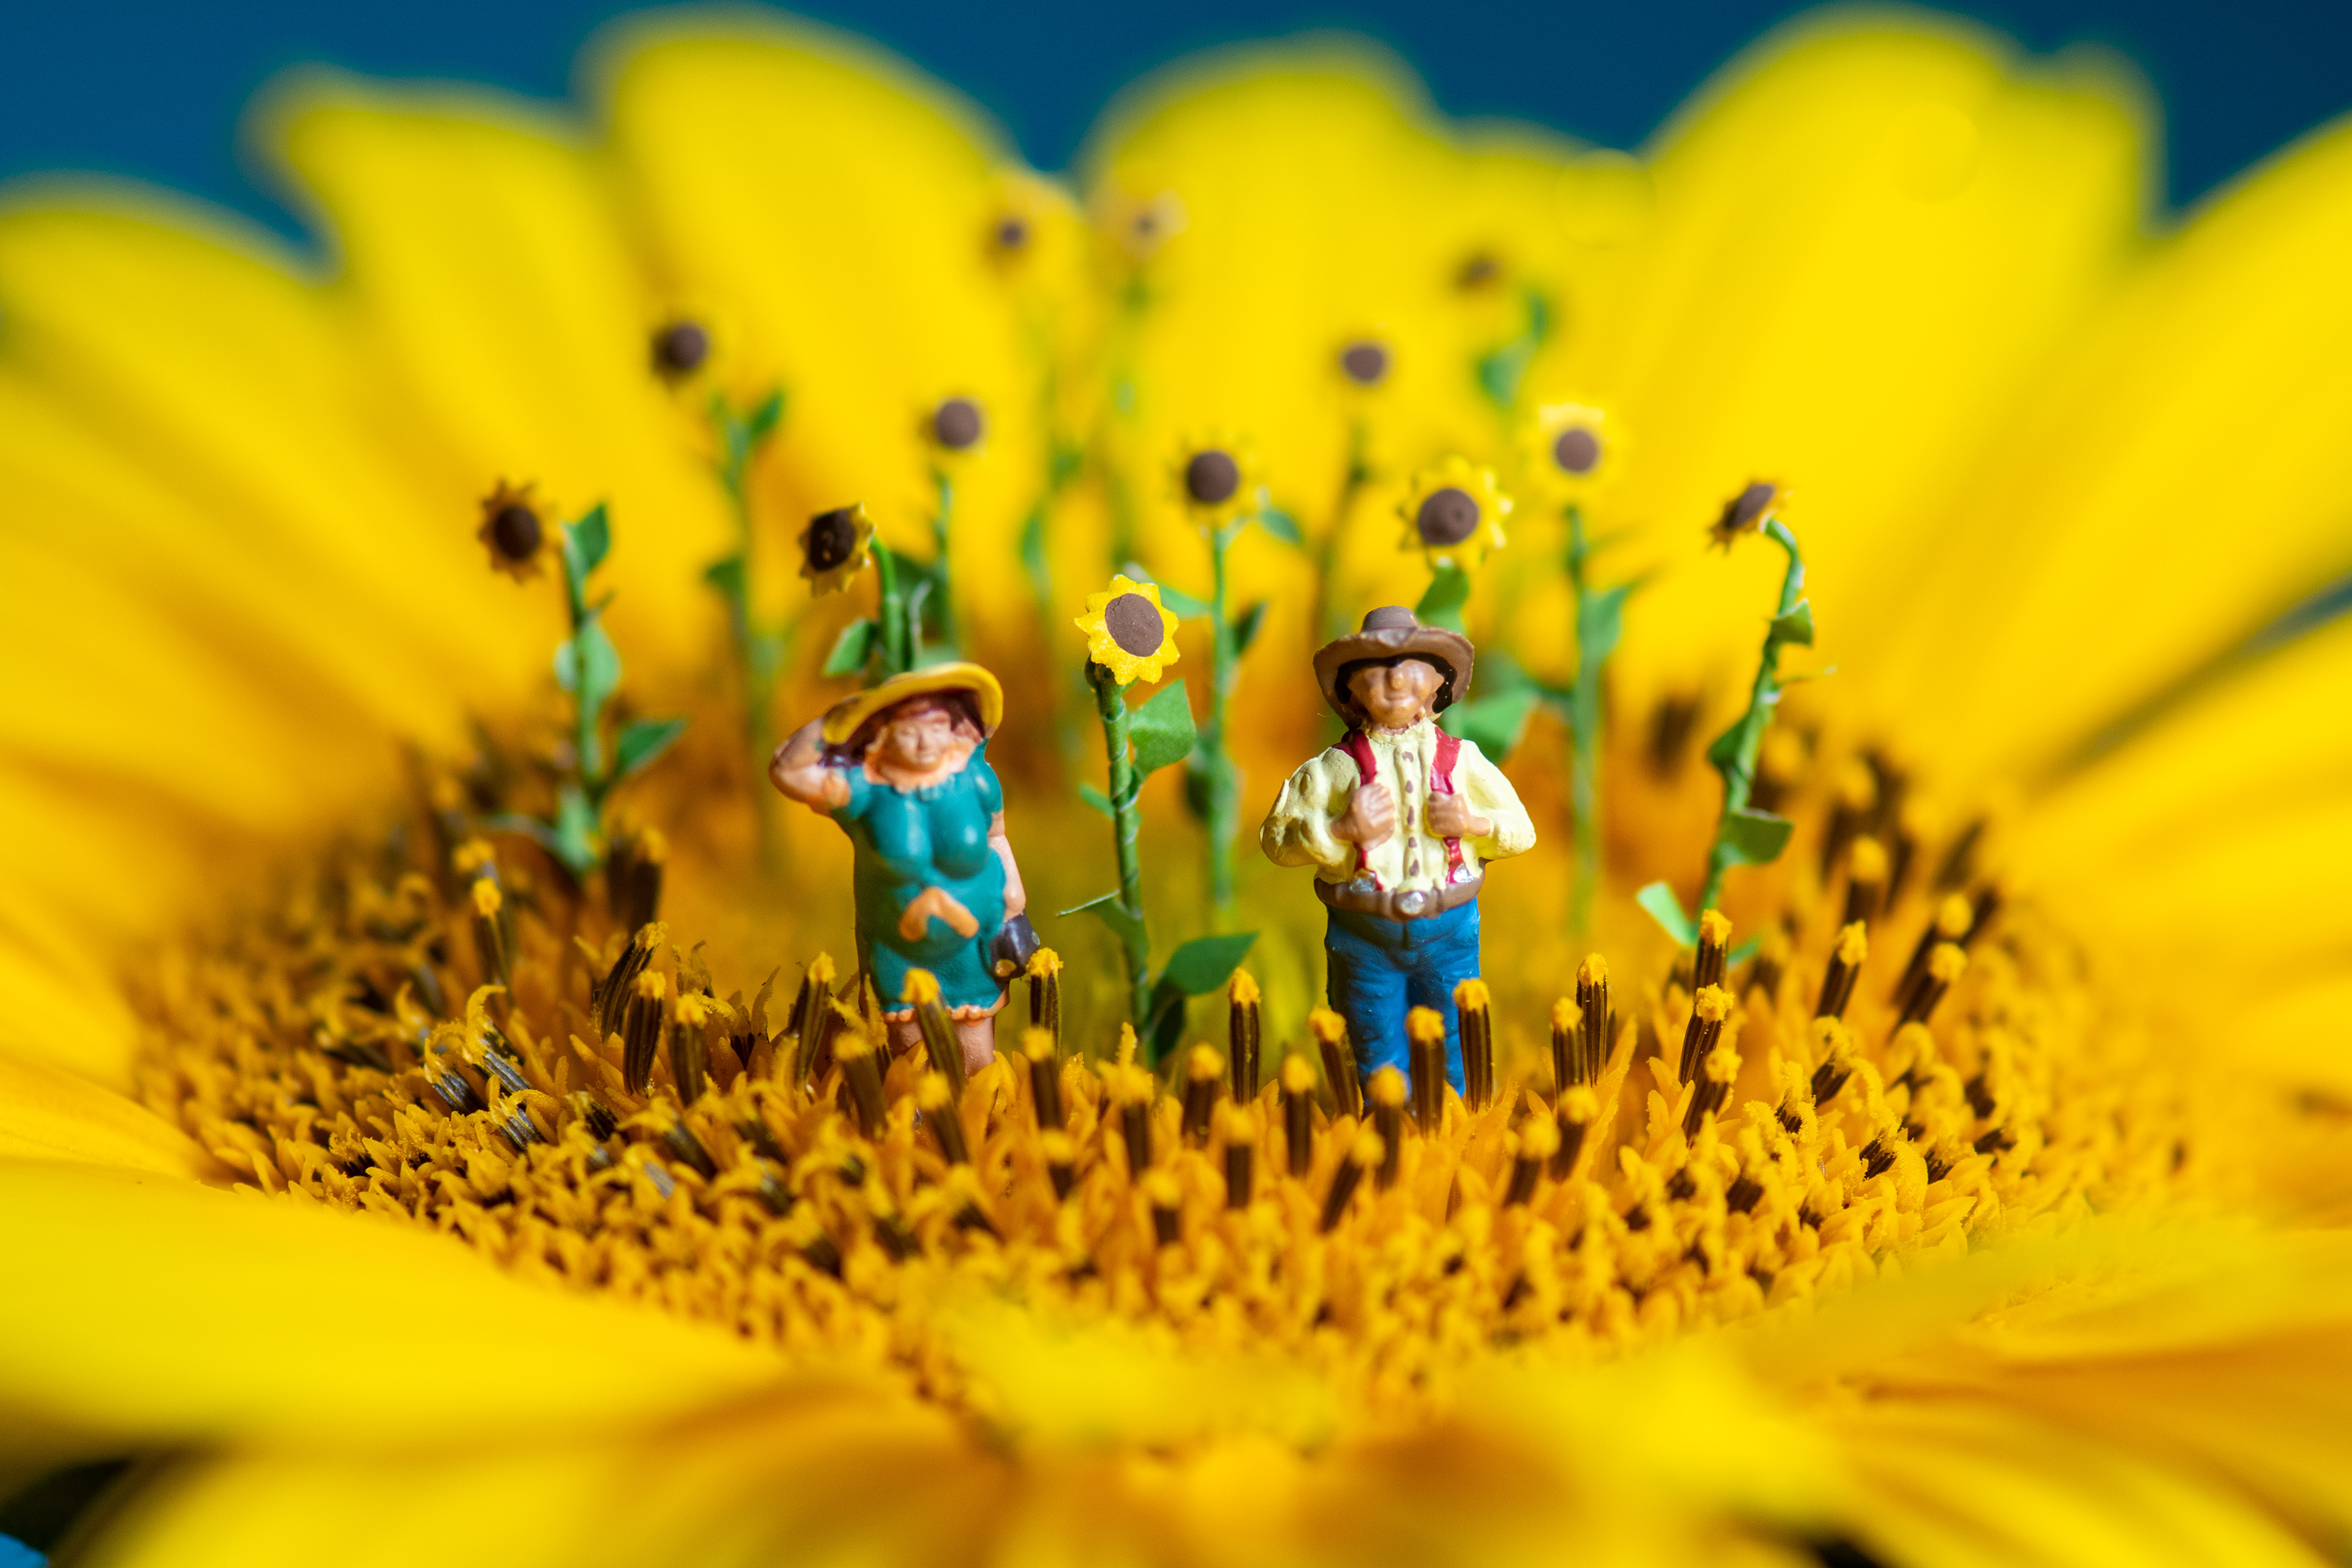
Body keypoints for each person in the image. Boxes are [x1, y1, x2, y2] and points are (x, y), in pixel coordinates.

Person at [1260, 607, 1535, 1095]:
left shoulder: (1464, 761)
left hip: (1450, 929)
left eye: (1411, 663)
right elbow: (1276, 841)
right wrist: (1341, 829)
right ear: (1351, 689)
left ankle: (1458, 1128)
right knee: (1372, 1044)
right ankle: (1380, 1141)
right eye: (1377, 666)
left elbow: (1522, 831)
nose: (1395, 678)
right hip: (1364, 932)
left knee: (1456, 1041)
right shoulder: (1331, 772)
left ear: (1437, 682)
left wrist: (1473, 822)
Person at [770, 663, 1026, 1075]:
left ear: (956, 728)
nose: (925, 741)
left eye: (937, 726)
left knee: (979, 1059)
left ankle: (988, 1121)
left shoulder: (977, 778)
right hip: (900, 951)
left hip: (972, 942)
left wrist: (1014, 897)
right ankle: (919, 1127)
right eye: (909, 731)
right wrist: (841, 720)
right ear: (884, 734)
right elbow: (788, 772)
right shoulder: (865, 792)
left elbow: (996, 836)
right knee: (912, 1064)